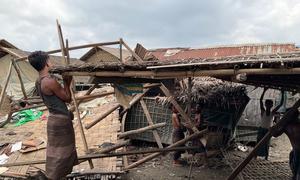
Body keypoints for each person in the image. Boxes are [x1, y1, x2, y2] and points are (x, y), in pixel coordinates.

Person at [28, 51, 78, 180]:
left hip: (53, 119)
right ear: (46, 63)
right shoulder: (50, 81)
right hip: (61, 121)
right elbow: (67, 98)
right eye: (49, 60)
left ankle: (54, 175)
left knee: (55, 152)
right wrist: (67, 81)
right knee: (63, 152)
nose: (52, 62)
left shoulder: (38, 81)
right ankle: (55, 177)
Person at [256, 88, 284, 160]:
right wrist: (264, 91)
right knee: (258, 143)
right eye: (267, 104)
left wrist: (283, 93)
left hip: (268, 130)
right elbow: (260, 100)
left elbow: (280, 104)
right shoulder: (263, 111)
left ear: (271, 105)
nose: (268, 105)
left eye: (270, 104)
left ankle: (266, 157)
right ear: (265, 105)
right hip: (262, 129)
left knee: (266, 144)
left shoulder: (272, 112)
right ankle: (255, 155)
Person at [273, 108, 300, 180]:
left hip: (297, 151)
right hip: (296, 151)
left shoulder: (293, 125)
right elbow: (275, 134)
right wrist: (272, 129)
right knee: (294, 164)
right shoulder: (286, 126)